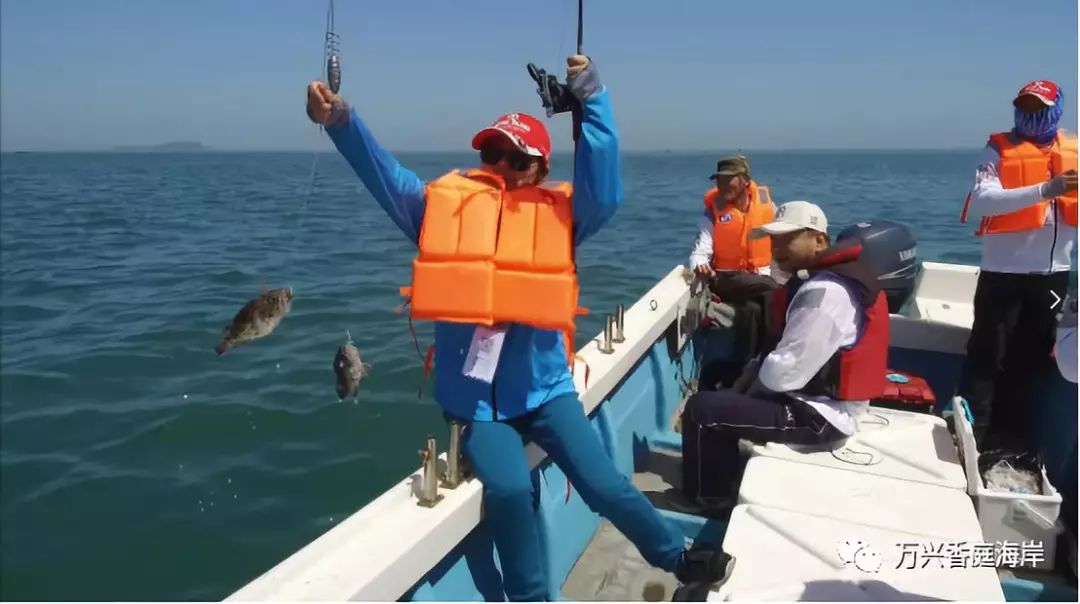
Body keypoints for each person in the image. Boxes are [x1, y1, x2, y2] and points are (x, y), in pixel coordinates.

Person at [306, 55, 731, 600]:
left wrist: (593, 100)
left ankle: (679, 556)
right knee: (509, 489)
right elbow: (384, 175)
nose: (503, 166)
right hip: (476, 404)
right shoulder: (443, 210)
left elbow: (605, 188)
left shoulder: (562, 219)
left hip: (546, 392)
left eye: (517, 157)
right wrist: (342, 120)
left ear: (540, 168)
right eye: (492, 153)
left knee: (604, 483)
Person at [680, 201, 890, 506]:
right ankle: (724, 464)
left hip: (820, 416)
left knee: (702, 411)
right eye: (774, 239)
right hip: (808, 397)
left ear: (820, 240)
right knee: (716, 372)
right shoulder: (812, 281)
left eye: (788, 238)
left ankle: (710, 498)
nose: (777, 247)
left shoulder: (824, 295)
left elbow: (785, 373)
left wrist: (747, 389)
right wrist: (745, 378)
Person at [957, 80, 1078, 462]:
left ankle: (1013, 446)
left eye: (1039, 107)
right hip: (1003, 274)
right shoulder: (996, 150)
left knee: (1031, 362)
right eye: (1024, 106)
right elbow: (982, 200)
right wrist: (1047, 189)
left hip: (1053, 276)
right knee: (987, 358)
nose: (1030, 115)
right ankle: (972, 439)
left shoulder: (1073, 151)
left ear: (1057, 110)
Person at [688, 155, 777, 279]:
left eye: (728, 179)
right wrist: (699, 265)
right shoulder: (712, 214)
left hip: (763, 274)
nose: (723, 185)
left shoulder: (768, 207)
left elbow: (784, 239)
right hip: (728, 277)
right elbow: (700, 252)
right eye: (720, 180)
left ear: (745, 181)